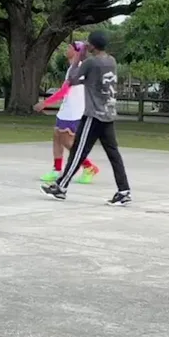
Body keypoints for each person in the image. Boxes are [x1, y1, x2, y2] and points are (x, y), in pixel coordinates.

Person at [41, 30, 131, 206]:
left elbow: (72, 79)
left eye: (88, 43)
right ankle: (124, 191)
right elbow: (90, 80)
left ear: (92, 46)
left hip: (94, 115)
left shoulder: (91, 62)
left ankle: (61, 187)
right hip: (108, 113)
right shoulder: (111, 61)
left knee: (78, 152)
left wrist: (78, 58)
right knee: (113, 154)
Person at [34, 41, 98, 183]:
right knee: (57, 137)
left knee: (67, 141)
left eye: (69, 47)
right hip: (66, 110)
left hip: (74, 111)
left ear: (77, 52)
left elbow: (63, 91)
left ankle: (88, 166)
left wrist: (45, 103)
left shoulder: (78, 69)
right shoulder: (72, 68)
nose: (66, 49)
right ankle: (57, 169)